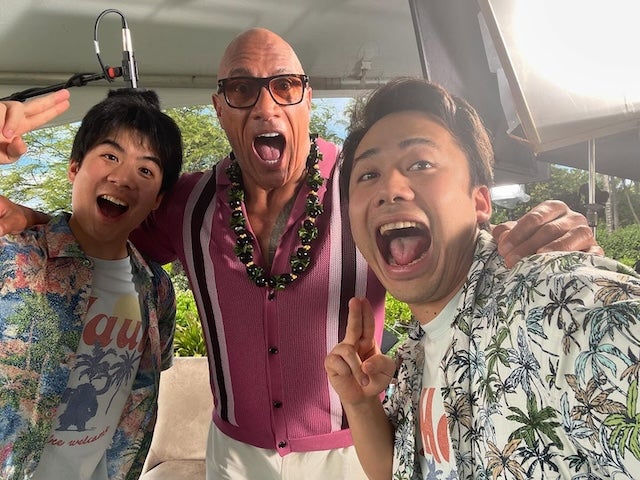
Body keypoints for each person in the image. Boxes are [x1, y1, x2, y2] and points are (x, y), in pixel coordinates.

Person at [0, 29, 603, 480]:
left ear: (307, 100)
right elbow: (98, 232)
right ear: (219, 109)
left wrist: (537, 238)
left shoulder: (366, 186)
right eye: (242, 89)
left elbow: (454, 239)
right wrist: (27, 219)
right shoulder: (186, 202)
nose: (266, 108)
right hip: (233, 455)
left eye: (285, 87)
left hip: (353, 450)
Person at [325, 77, 640, 480]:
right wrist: (360, 403)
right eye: (368, 175)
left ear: (479, 201)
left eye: (420, 164)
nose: (390, 188)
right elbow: (400, 471)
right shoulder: (411, 358)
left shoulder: (564, 308)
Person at [0, 88, 183, 480]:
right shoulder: (12, 257)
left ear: (157, 199)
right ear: (74, 167)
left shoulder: (157, 290)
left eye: (146, 171)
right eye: (110, 156)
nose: (123, 178)